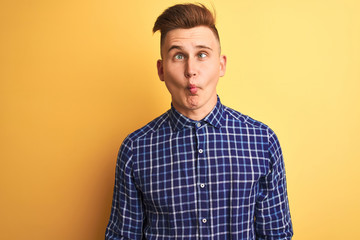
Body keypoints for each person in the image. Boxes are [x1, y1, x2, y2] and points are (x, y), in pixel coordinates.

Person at [105, 3, 293, 240]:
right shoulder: (135, 149)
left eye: (202, 54)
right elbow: (122, 236)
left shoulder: (263, 141)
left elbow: (276, 235)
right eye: (179, 56)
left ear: (221, 64)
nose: (191, 70)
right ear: (161, 70)